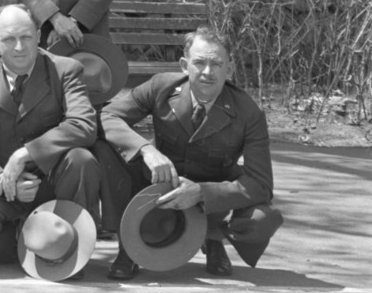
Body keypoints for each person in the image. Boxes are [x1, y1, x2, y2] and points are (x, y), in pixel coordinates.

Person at [99, 30, 282, 279]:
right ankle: (127, 246)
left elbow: (261, 185)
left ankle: (213, 236)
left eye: (217, 64)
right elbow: (108, 116)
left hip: (210, 196)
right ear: (185, 65)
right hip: (157, 184)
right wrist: (145, 149)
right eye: (200, 62)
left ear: (229, 68)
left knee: (263, 218)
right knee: (103, 149)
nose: (208, 72)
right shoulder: (162, 87)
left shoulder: (248, 112)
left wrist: (201, 193)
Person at [0, 6, 102, 270]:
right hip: (3, 188)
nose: (19, 47)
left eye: (26, 37)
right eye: (9, 39)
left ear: (38, 36)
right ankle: (28, 249)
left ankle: (69, 251)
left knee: (81, 160)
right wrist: (4, 180)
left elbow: (84, 125)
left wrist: (25, 154)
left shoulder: (65, 70)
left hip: (53, 183)